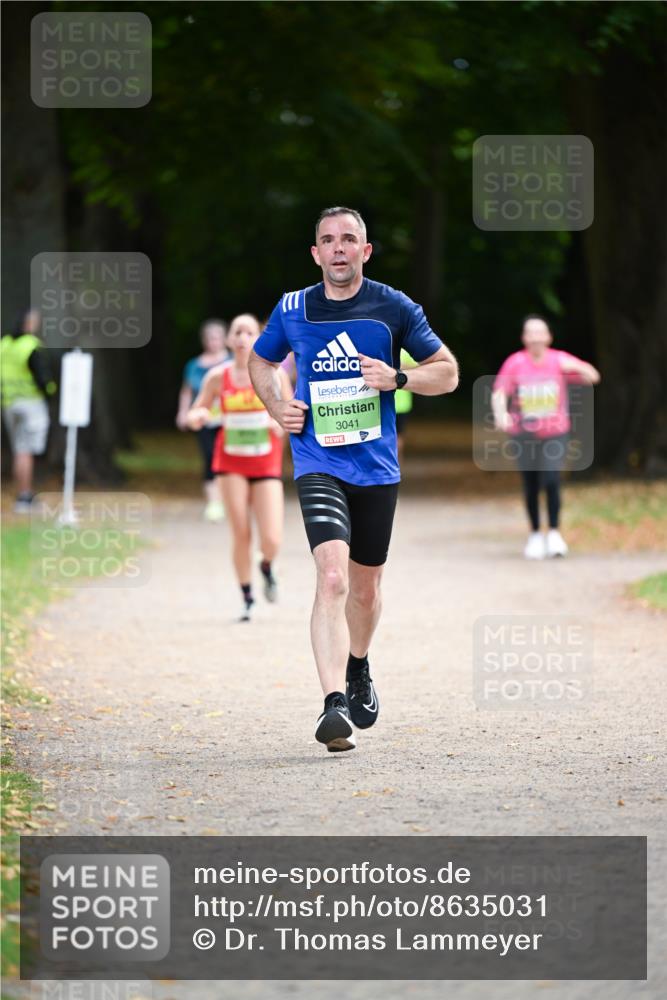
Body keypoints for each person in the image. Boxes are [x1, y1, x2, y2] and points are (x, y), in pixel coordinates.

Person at [249, 206, 458, 752]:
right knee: (333, 579)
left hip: (376, 467)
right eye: (327, 241)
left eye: (349, 240)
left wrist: (400, 376)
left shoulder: (394, 307)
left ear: (365, 251)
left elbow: (450, 372)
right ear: (315, 254)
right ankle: (332, 703)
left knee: (365, 591)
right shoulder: (292, 308)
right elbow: (260, 362)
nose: (338, 249)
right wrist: (277, 407)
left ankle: (358, 665)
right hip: (318, 460)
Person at [188, 314, 291, 621]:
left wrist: (280, 425)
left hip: (265, 462)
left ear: (258, 338)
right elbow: (199, 408)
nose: (243, 337)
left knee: (272, 537)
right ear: (231, 340)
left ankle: (266, 566)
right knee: (241, 532)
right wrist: (198, 417)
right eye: (238, 332)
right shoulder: (218, 377)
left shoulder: (275, 375)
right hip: (230, 462)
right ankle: (247, 596)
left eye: (249, 332)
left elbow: (290, 413)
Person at [491, 315, 601, 560]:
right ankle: (534, 535)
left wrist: (575, 368)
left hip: (555, 432)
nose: (536, 338)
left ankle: (553, 532)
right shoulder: (515, 363)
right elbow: (499, 392)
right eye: (530, 333)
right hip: (524, 433)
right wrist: (501, 415)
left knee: (551, 478)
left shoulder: (559, 360)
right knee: (530, 483)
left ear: (548, 337)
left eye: (540, 333)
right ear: (524, 338)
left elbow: (593, 376)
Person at [1, 309, 55, 513]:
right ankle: (24, 496)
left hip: (9, 403)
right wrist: (51, 392)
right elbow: (43, 379)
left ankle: (23, 494)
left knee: (19, 450)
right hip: (31, 403)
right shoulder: (30, 346)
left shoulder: (4, 345)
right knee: (26, 451)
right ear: (29, 324)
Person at [176, 318, 229, 521]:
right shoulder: (194, 365)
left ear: (224, 339)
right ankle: (214, 502)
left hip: (229, 419)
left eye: (217, 337)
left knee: (229, 458)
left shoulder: (232, 362)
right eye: (210, 338)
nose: (213, 342)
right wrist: (183, 413)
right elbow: (187, 391)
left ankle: (229, 499)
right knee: (209, 458)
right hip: (204, 420)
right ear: (204, 340)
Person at [395, 348, 418, 460]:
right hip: (385, 403)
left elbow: (419, 368)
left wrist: (399, 367)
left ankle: (398, 463)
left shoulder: (405, 351)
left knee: (398, 436)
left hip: (401, 404)